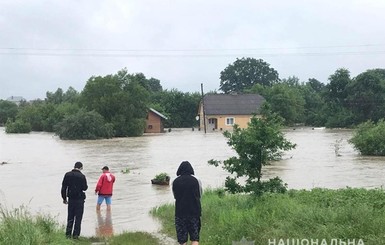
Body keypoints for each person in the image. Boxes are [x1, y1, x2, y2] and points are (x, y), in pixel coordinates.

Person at [172, 161, 202, 245]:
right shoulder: (196, 180)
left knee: (182, 240)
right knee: (195, 238)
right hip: (194, 212)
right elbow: (200, 194)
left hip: (180, 213)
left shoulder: (175, 181)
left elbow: (175, 196)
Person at [61, 161, 88, 239]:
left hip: (71, 199)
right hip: (79, 200)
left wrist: (64, 198)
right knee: (78, 218)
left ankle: (68, 235)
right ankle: (76, 235)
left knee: (70, 217)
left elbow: (64, 188)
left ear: (74, 166)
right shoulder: (82, 176)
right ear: (81, 167)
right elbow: (85, 188)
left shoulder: (67, 175)